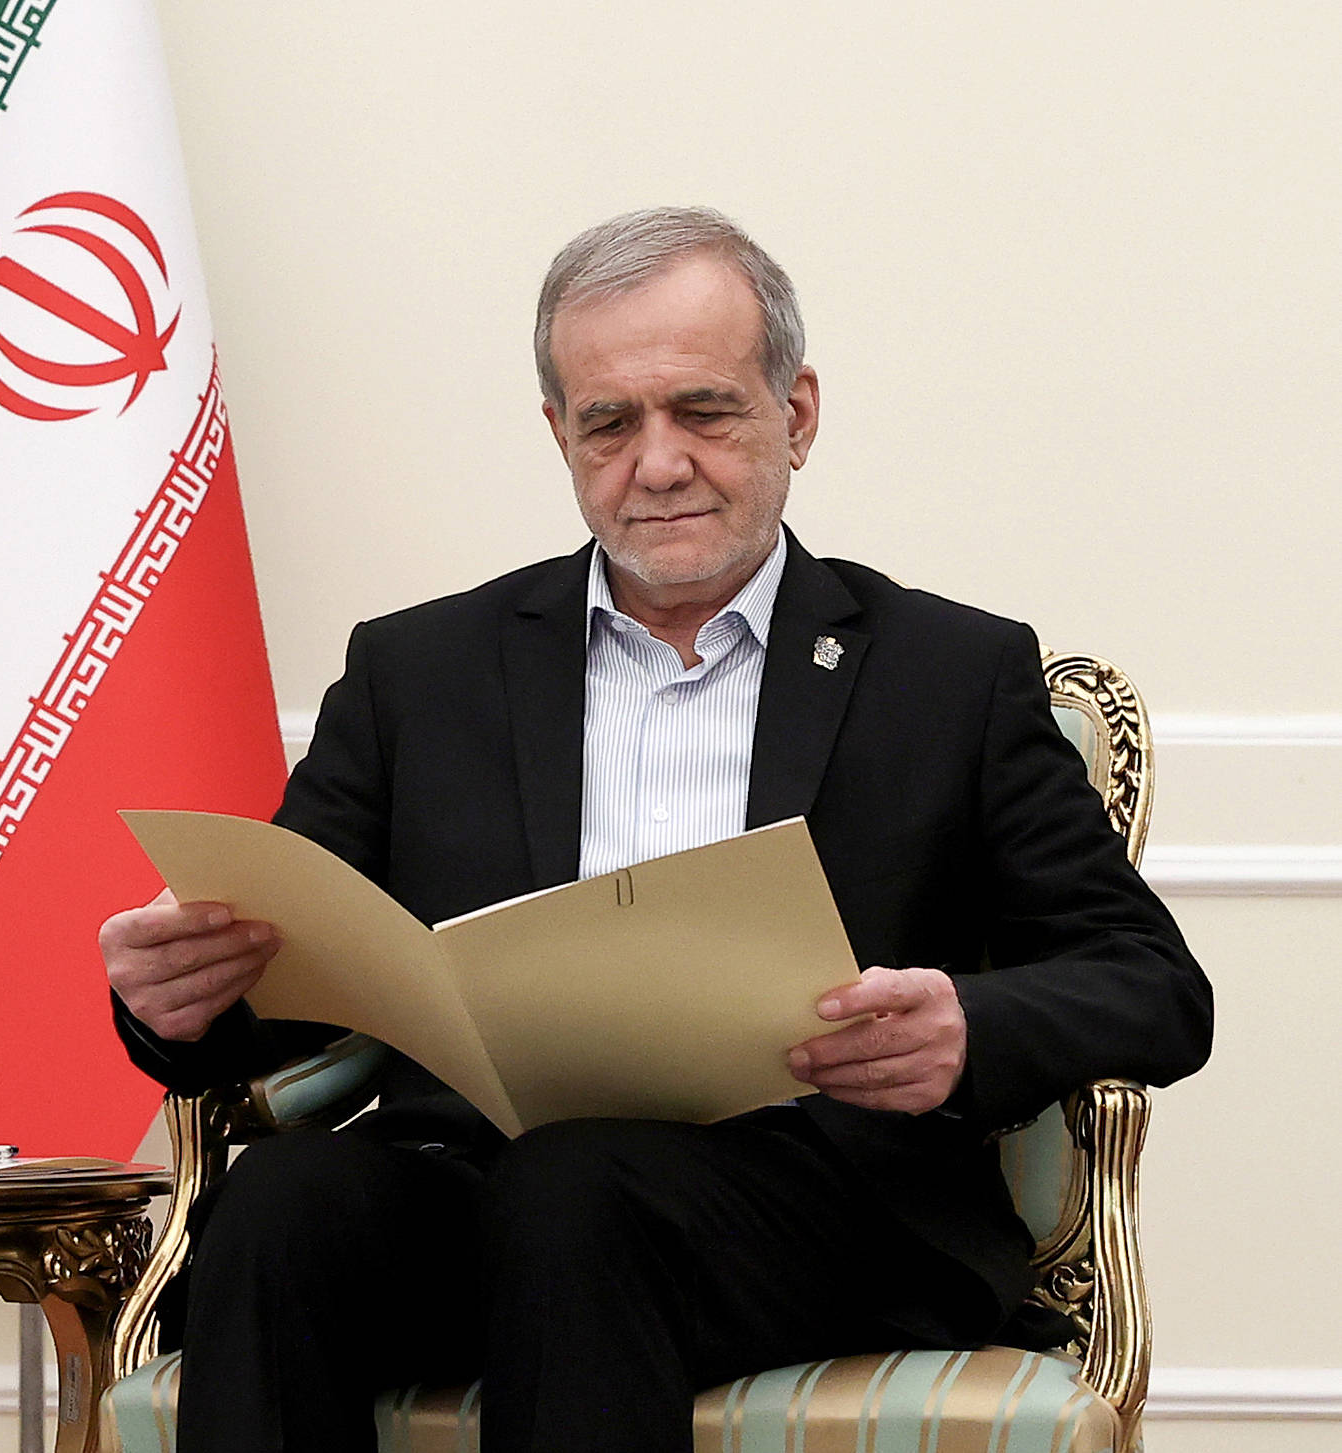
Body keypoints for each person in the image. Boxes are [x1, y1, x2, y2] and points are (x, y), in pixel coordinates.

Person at [100, 207, 1212, 1452]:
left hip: (814, 1214)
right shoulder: (420, 672)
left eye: (703, 411)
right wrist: (180, 998)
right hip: (479, 1188)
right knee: (285, 1197)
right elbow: (294, 979)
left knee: (577, 1186)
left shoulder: (948, 674)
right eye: (610, 423)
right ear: (559, 435)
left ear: (795, 414)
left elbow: (1153, 987)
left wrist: (966, 1025)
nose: (659, 462)